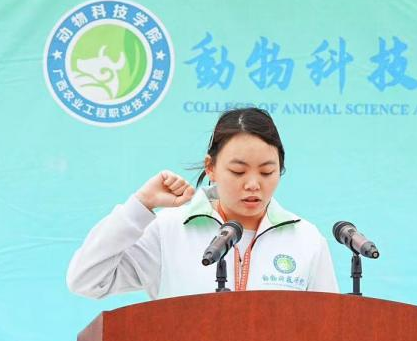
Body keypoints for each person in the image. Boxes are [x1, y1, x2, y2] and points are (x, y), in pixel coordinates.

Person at [66, 107, 339, 299]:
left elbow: (328, 329)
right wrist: (141, 206)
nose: (253, 184)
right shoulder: (170, 229)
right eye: (238, 171)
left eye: (267, 172)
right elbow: (86, 280)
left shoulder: (305, 239)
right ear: (211, 167)